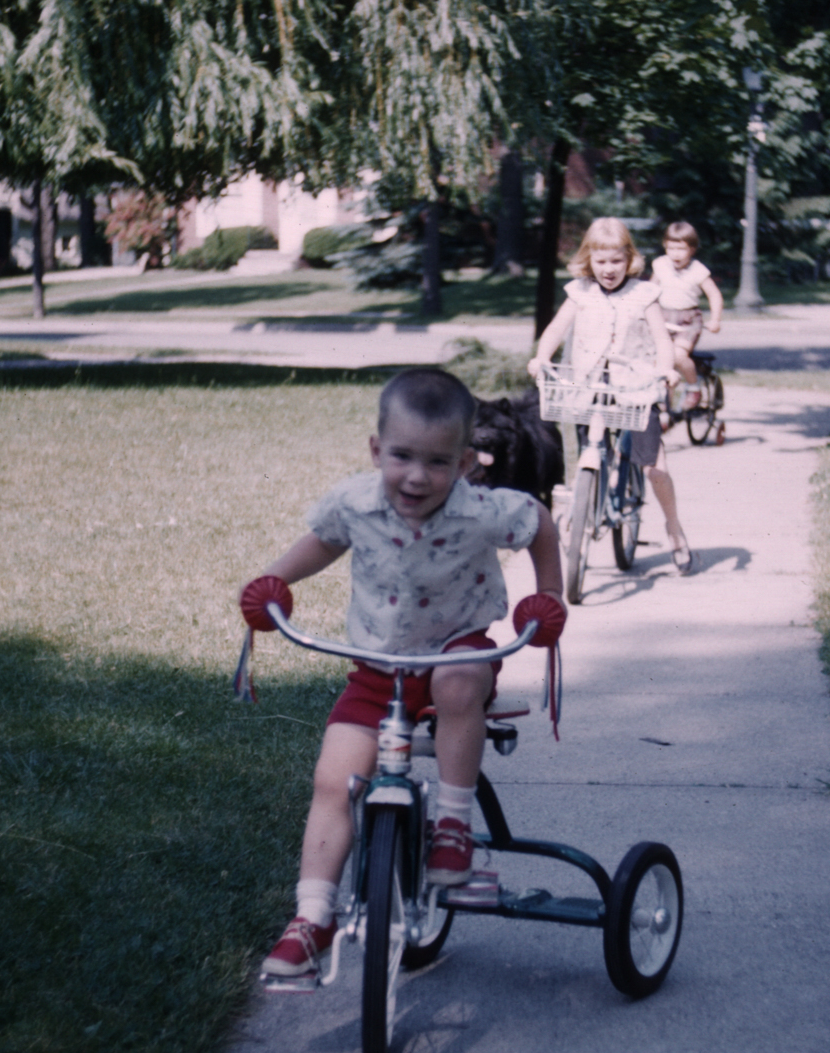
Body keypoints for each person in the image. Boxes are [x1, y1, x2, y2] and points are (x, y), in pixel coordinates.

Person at [240, 367, 567, 980]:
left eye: (439, 462)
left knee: (459, 682)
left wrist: (549, 596)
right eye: (402, 456)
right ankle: (312, 918)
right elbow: (324, 540)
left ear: (468, 462)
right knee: (334, 782)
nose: (417, 476)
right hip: (375, 670)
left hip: (454, 652)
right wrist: (274, 579)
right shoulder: (355, 502)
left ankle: (452, 825)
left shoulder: (484, 510)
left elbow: (541, 525)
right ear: (375, 450)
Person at [526, 216, 694, 572]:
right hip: (588, 387)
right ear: (589, 260)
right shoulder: (579, 292)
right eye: (600, 261)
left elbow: (662, 340)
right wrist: (542, 357)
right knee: (590, 449)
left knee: (654, 467)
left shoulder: (644, 294)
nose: (608, 269)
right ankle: (585, 504)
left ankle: (674, 528)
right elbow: (557, 327)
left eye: (616, 261)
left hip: (636, 387)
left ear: (629, 259)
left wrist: (667, 369)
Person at [648, 221, 725, 411]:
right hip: (663, 317)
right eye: (671, 248)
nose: (675, 254)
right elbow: (650, 290)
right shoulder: (660, 265)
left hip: (687, 319)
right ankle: (664, 409)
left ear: (692, 249)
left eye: (681, 249)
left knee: (678, 355)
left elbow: (714, 294)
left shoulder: (698, 270)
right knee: (663, 363)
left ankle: (693, 387)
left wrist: (715, 319)